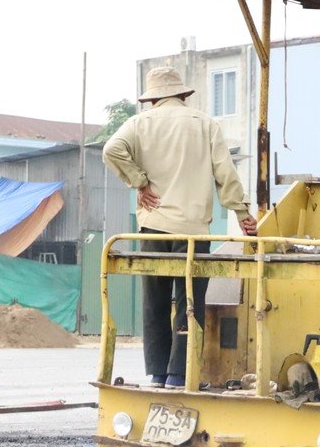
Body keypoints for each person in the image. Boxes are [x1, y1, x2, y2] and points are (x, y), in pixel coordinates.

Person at [102, 66, 256, 387]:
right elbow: (225, 173)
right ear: (184, 95)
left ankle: (157, 374)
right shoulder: (206, 125)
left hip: (153, 228)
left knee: (155, 302)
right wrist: (241, 213)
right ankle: (178, 376)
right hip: (193, 231)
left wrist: (139, 182)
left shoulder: (138, 124)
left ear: (152, 99)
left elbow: (111, 150)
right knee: (189, 303)